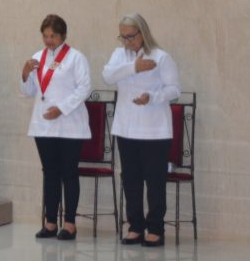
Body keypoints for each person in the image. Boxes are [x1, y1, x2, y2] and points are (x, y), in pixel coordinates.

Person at [102, 13, 181, 247]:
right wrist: (134, 67)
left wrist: (153, 97)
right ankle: (135, 226)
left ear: (142, 33)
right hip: (126, 127)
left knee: (154, 180)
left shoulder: (161, 57)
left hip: (154, 129)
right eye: (123, 37)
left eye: (131, 37)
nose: (127, 42)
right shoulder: (119, 56)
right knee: (131, 179)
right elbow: (107, 76)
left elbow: (175, 89)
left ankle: (155, 228)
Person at [20, 14, 91, 240]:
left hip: (69, 124)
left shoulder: (75, 58)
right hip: (43, 125)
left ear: (63, 35)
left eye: (53, 36)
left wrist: (62, 108)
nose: (49, 40)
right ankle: (50, 222)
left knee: (69, 173)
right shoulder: (37, 57)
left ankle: (69, 223)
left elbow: (84, 88)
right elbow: (30, 91)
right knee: (49, 173)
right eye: (45, 35)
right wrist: (24, 74)